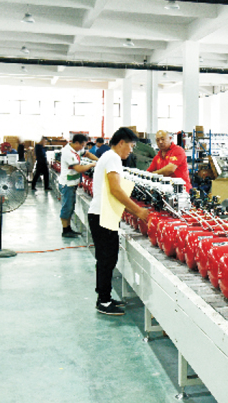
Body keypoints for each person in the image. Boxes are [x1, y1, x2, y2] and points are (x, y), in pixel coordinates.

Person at [88, 127, 150, 315]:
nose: (131, 150)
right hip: (102, 214)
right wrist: (138, 211)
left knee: (106, 258)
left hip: (102, 213)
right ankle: (104, 301)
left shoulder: (108, 156)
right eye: (131, 146)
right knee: (107, 258)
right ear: (121, 142)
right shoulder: (113, 158)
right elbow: (115, 190)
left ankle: (104, 296)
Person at [58, 134, 96, 237]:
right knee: (67, 207)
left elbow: (87, 154)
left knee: (70, 207)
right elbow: (79, 169)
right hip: (67, 185)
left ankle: (68, 228)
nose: (82, 148)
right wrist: (91, 165)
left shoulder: (76, 149)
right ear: (77, 143)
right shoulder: (68, 152)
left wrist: (99, 160)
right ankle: (65, 230)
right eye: (82, 145)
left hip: (72, 184)